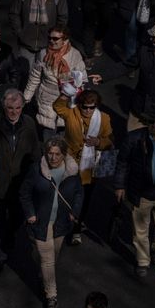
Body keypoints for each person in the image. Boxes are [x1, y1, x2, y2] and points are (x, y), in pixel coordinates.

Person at [20, 137, 84, 308]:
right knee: (48, 260)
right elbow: (24, 193)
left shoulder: (72, 172)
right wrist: (31, 213)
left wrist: (74, 212)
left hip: (61, 222)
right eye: (50, 154)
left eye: (57, 154)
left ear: (64, 155)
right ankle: (51, 296)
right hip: (41, 222)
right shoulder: (36, 170)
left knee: (53, 256)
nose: (53, 158)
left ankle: (44, 273)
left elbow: (79, 193)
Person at [0, 89, 40, 273]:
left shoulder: (29, 124)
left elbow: (35, 152)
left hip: (20, 184)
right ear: (3, 106)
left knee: (16, 219)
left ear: (23, 107)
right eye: (10, 108)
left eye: (18, 108)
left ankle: (8, 238)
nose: (14, 112)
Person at [54, 89, 113, 246]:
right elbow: (57, 106)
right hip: (70, 162)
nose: (87, 110)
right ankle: (60, 223)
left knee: (84, 199)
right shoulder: (71, 113)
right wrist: (66, 92)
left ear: (96, 107)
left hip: (91, 167)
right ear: (79, 105)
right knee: (65, 195)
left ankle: (77, 229)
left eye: (91, 107)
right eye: (84, 107)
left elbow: (109, 141)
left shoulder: (104, 119)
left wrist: (99, 142)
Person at [115, 108, 155, 277]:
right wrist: (119, 185)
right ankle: (143, 261)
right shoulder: (135, 138)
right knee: (140, 231)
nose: (153, 126)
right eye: (150, 122)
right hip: (141, 193)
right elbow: (122, 162)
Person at [23, 25, 87, 139]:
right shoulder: (43, 54)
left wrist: (75, 93)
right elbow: (35, 77)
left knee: (64, 139)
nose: (51, 41)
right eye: (49, 38)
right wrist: (26, 97)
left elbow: (82, 79)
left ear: (65, 40)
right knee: (48, 138)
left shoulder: (75, 55)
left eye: (55, 39)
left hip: (67, 102)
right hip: (47, 101)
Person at [8, 0, 69, 71]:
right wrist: (19, 32)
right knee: (25, 76)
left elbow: (63, 17)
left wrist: (56, 37)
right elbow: (14, 13)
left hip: (47, 44)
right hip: (26, 43)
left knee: (44, 76)